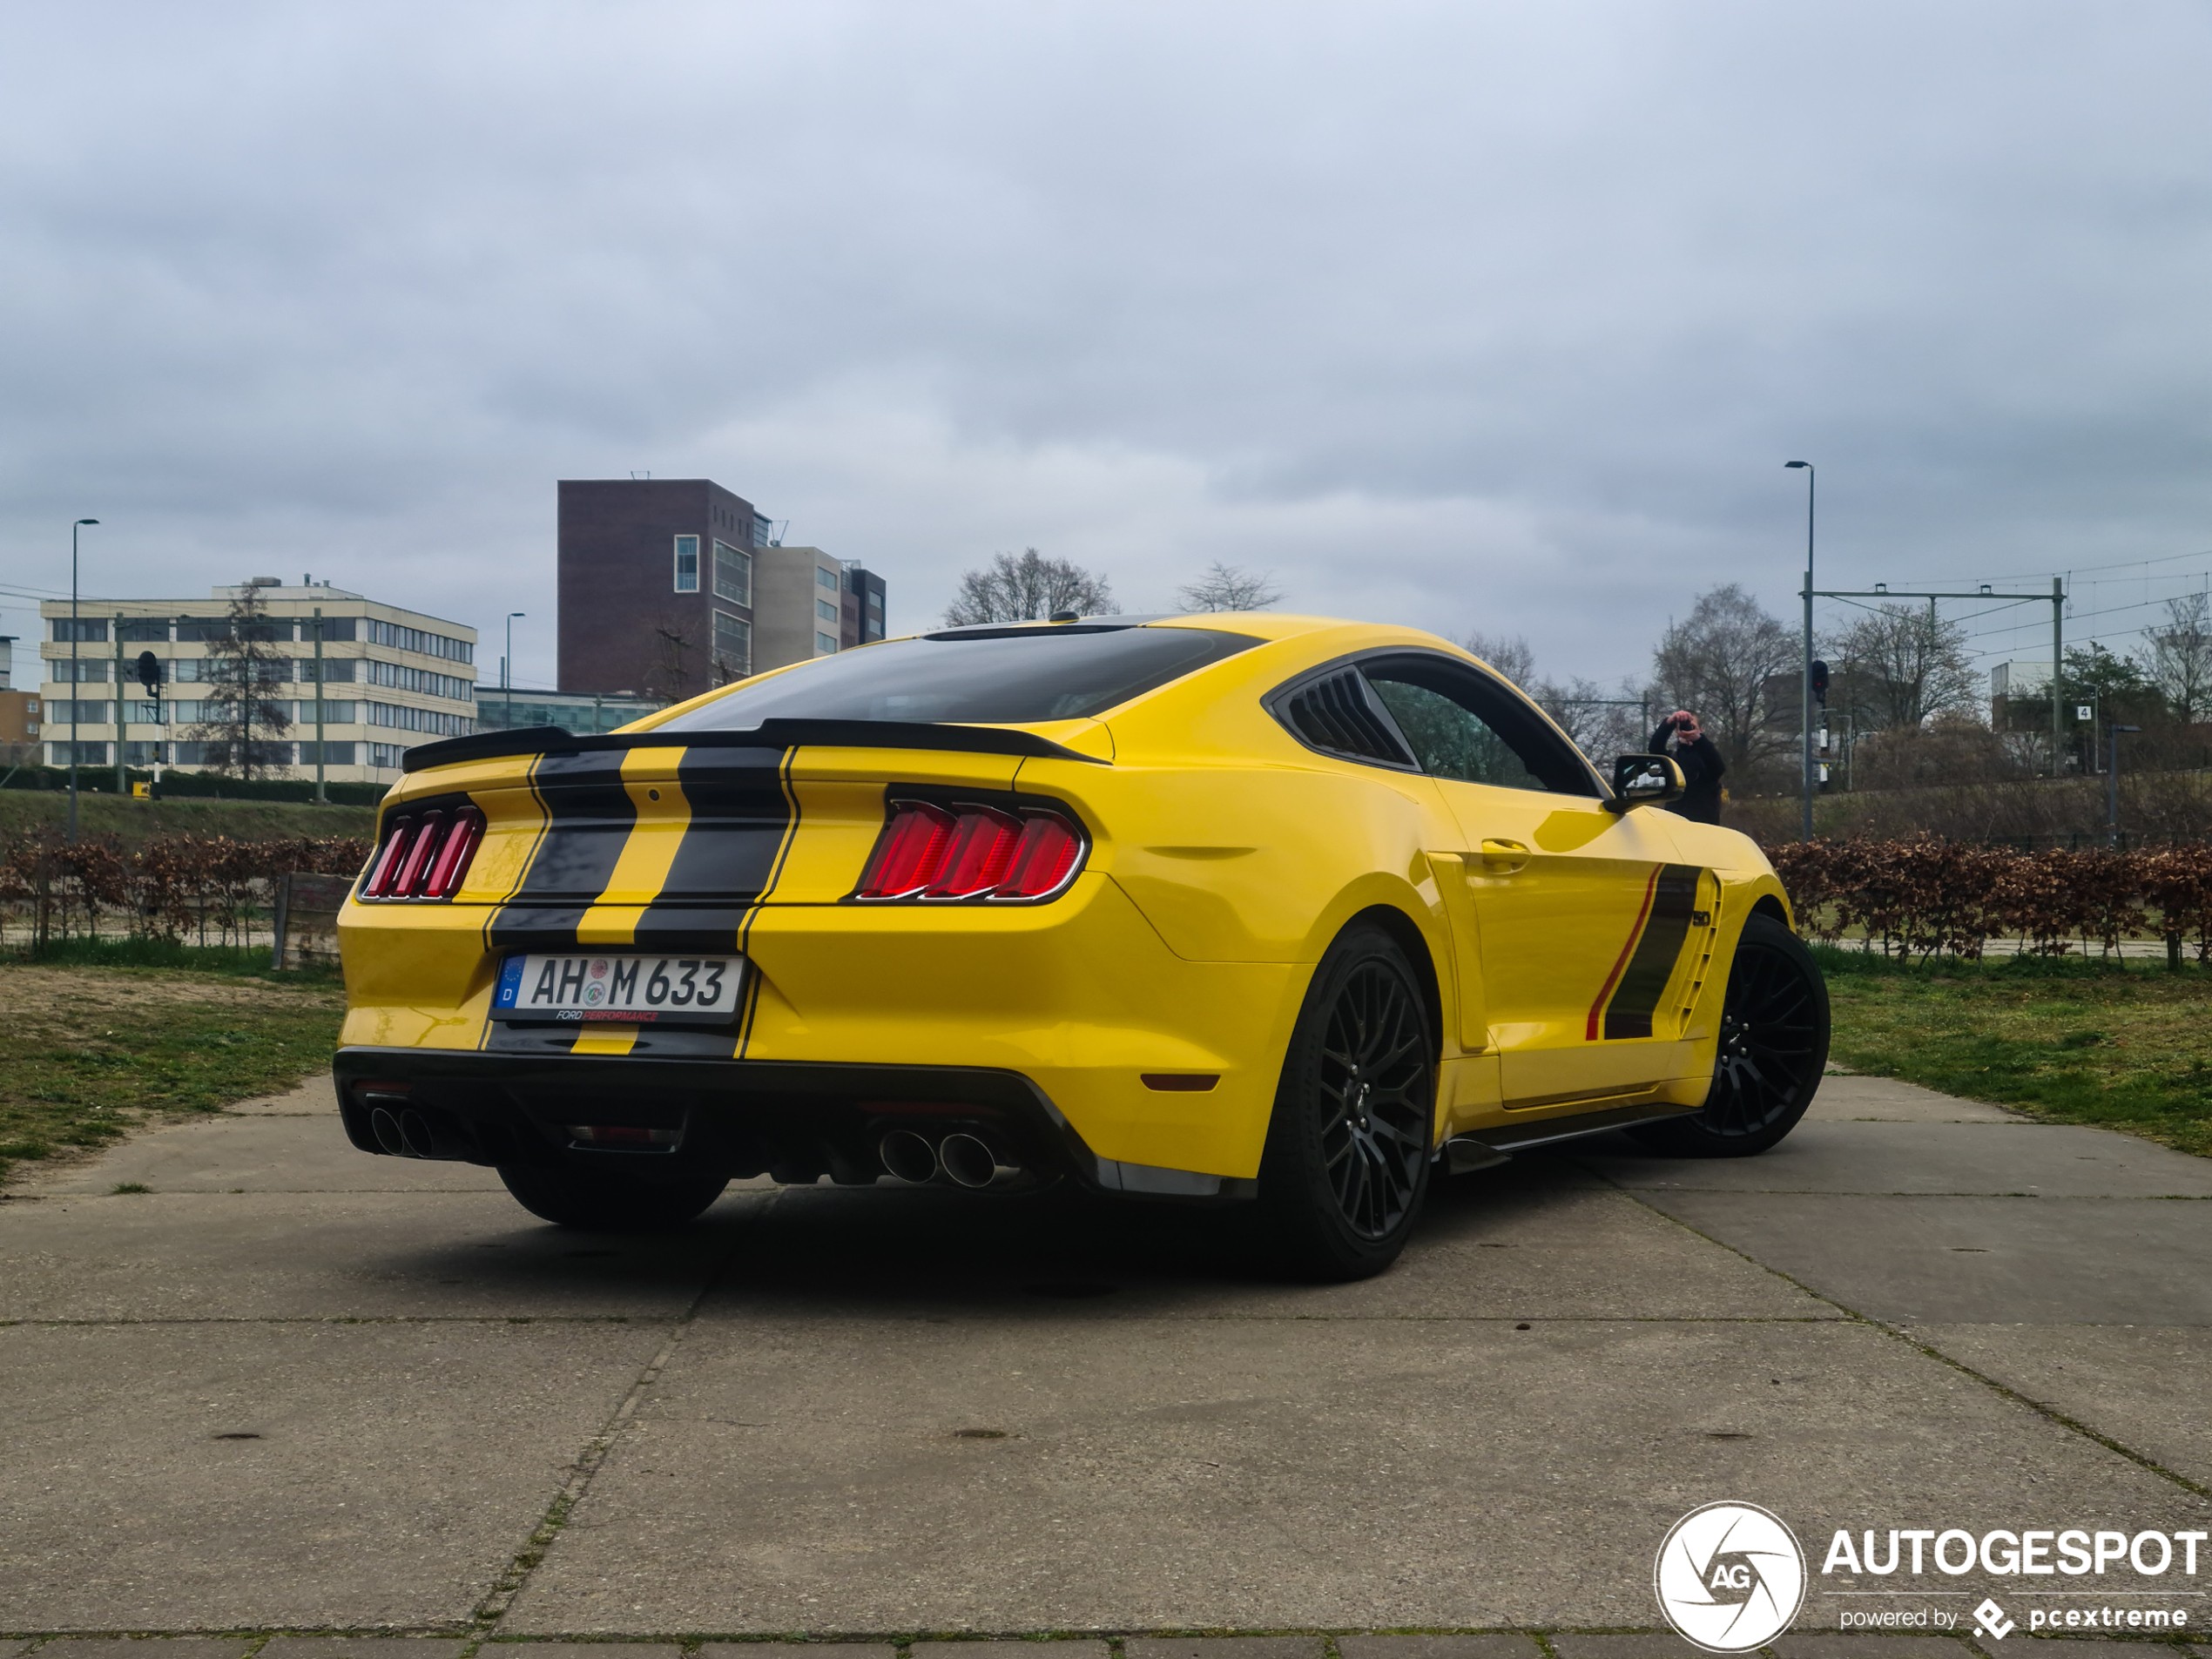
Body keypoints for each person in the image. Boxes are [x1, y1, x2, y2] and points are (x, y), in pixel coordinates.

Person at [1648, 709, 1726, 825]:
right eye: (1683, 726)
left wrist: (1698, 739)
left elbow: (1718, 767)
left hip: (1704, 826)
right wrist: (1669, 723)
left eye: (1691, 726)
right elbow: (1655, 749)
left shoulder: (1707, 756)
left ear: (1701, 730)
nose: (1687, 729)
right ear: (1676, 731)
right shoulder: (1672, 758)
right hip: (1674, 824)